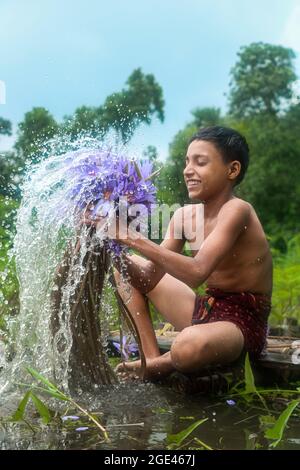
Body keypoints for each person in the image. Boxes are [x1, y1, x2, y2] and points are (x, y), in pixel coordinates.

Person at [88, 126, 273, 381]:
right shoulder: (184, 216)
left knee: (186, 346)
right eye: (187, 161)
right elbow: (147, 280)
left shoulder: (237, 210)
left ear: (232, 170)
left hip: (241, 325)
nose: (188, 170)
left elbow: (197, 272)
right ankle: (150, 357)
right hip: (206, 310)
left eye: (201, 162)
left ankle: (161, 363)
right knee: (124, 270)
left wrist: (128, 235)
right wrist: (110, 249)